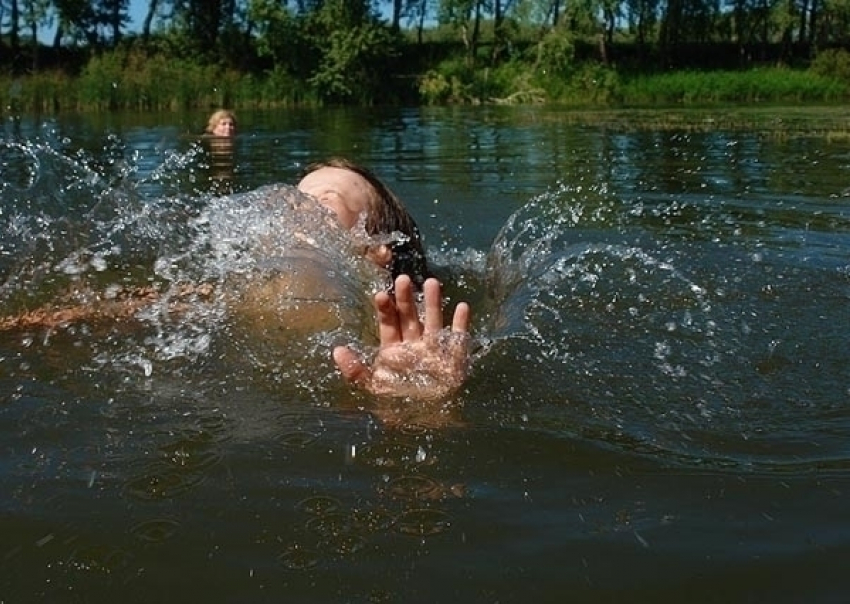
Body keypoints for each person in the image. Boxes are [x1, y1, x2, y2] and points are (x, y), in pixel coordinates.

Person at [0, 158, 471, 402]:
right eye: (292, 196)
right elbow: (90, 316)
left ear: (376, 249)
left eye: (322, 202)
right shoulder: (229, 290)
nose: (290, 207)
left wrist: (414, 401)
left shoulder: (406, 333)